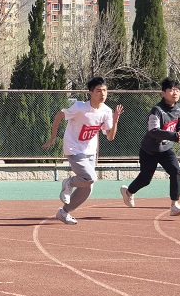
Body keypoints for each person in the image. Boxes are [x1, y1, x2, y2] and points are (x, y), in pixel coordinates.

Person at [43, 77, 123, 225]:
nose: (102, 94)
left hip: (90, 152)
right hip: (73, 148)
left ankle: (63, 212)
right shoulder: (79, 107)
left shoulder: (106, 111)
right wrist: (53, 137)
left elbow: (110, 137)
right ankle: (68, 183)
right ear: (90, 93)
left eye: (105, 91)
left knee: (87, 188)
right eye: (98, 91)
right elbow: (59, 115)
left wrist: (115, 120)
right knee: (91, 177)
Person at [120, 77, 180, 216]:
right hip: (149, 151)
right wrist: (173, 136)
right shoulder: (156, 110)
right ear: (163, 93)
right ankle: (128, 192)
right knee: (145, 179)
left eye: (177, 89)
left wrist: (179, 134)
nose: (175, 92)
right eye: (171, 90)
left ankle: (174, 205)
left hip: (166, 150)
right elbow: (153, 131)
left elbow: (178, 125)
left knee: (175, 171)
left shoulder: (179, 108)